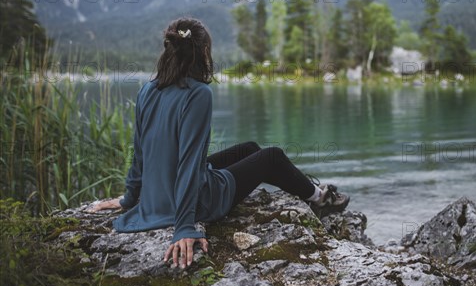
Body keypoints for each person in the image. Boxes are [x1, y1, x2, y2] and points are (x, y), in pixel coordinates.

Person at [89, 18, 349, 269]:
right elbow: (189, 163)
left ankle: (307, 189)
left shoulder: (148, 89)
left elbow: (139, 152)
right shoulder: (198, 93)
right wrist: (184, 227)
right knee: (272, 156)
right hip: (197, 202)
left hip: (154, 198)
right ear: (203, 52)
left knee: (248, 149)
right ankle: (319, 197)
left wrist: (129, 199)